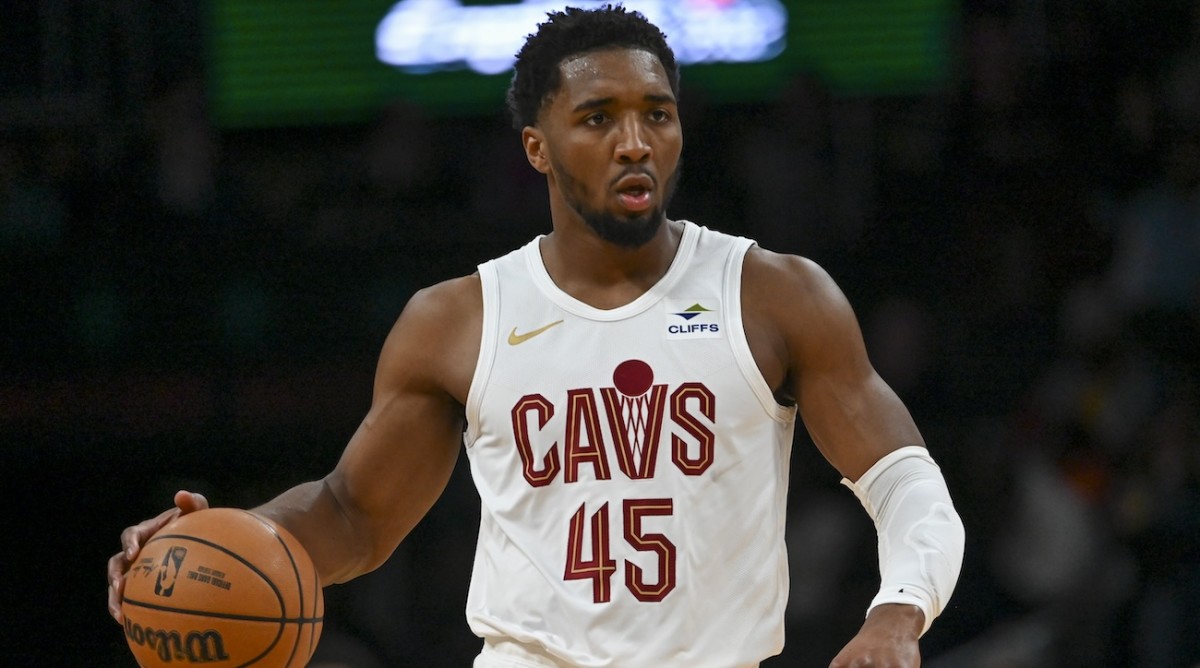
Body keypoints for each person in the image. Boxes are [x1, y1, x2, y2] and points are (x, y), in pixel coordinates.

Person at [107, 6, 965, 667]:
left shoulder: (774, 295)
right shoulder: (458, 319)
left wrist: (898, 612)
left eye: (657, 114)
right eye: (598, 118)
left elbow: (907, 484)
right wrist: (223, 541)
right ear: (537, 147)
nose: (635, 142)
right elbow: (352, 515)